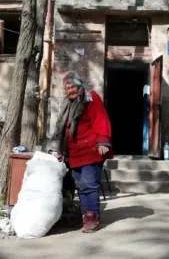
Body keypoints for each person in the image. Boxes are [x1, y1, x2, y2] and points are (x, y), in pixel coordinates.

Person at [57, 71, 113, 233]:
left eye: (73, 86)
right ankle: (85, 216)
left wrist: (103, 141)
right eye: (67, 88)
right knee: (81, 186)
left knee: (89, 183)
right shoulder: (67, 104)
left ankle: (92, 217)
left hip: (91, 149)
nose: (70, 91)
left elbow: (100, 119)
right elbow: (65, 130)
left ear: (80, 85)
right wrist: (62, 151)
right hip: (75, 152)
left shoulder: (91, 98)